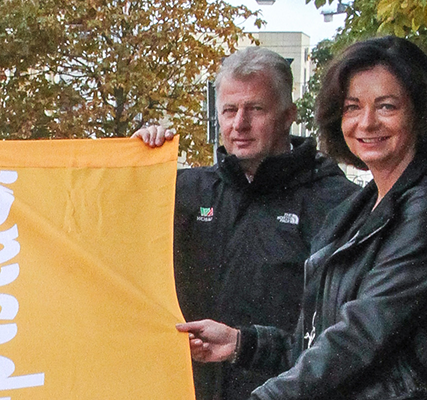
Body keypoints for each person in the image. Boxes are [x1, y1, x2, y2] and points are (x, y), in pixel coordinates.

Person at [177, 36, 427, 399]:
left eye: (386, 106)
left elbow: (359, 339)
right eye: (353, 107)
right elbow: (318, 339)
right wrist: (244, 343)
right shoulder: (359, 209)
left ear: (420, 111)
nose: (366, 123)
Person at [135, 46, 358, 400]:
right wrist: (135, 165)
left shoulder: (336, 202)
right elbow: (110, 231)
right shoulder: (184, 192)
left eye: (255, 109)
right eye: (229, 110)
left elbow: (347, 335)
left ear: (287, 116)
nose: (239, 124)